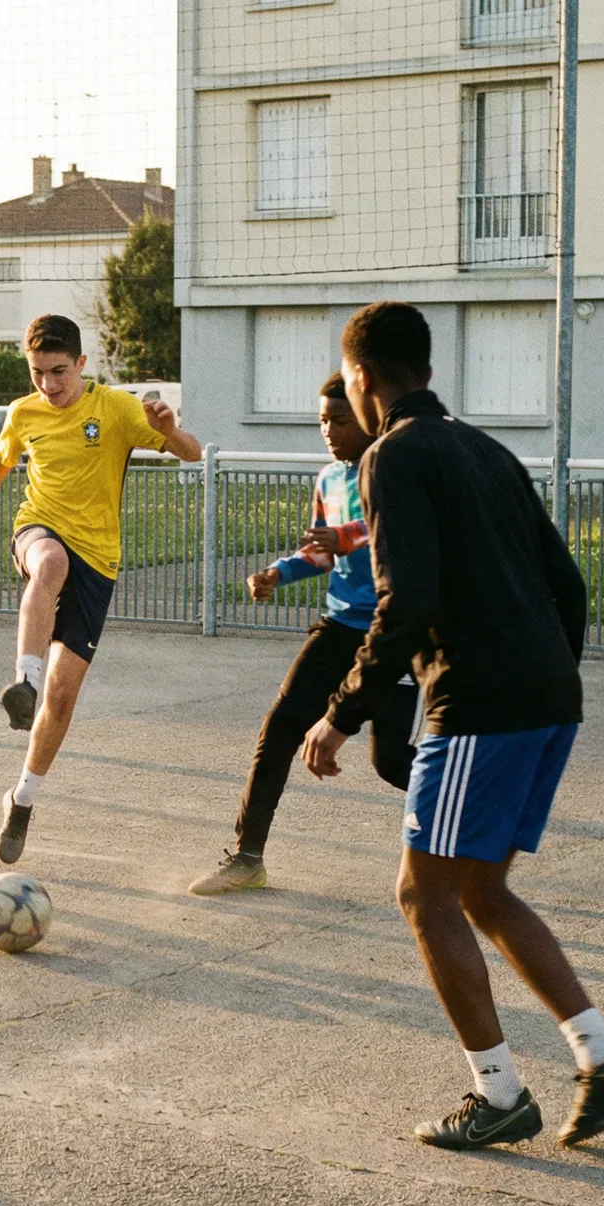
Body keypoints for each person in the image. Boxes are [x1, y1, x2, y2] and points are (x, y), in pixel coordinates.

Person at [301, 301, 604, 1150]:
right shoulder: (486, 448)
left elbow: (406, 601)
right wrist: (547, 673)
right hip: (546, 697)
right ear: (424, 365)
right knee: (482, 891)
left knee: (423, 897)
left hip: (481, 704)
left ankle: (497, 1095)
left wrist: (341, 713)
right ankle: (601, 1054)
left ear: (363, 377)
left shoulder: (391, 456)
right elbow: (566, 583)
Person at [0, 314, 200, 863]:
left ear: (80, 364)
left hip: (99, 558)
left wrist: (168, 429)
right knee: (48, 564)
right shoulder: (23, 413)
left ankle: (22, 799)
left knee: (64, 696)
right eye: (36, 374)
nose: (48, 385)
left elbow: (192, 452)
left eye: (57, 372)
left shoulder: (118, 409)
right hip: (39, 529)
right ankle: (22, 682)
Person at [189, 372, 417, 896]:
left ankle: (472, 809)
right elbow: (321, 551)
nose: (329, 430)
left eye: (339, 419)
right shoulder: (328, 480)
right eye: (322, 420)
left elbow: (391, 528)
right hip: (340, 626)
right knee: (280, 729)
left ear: (366, 417)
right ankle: (247, 858)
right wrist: (277, 572)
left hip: (394, 631)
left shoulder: (393, 470)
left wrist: (343, 537)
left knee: (392, 762)